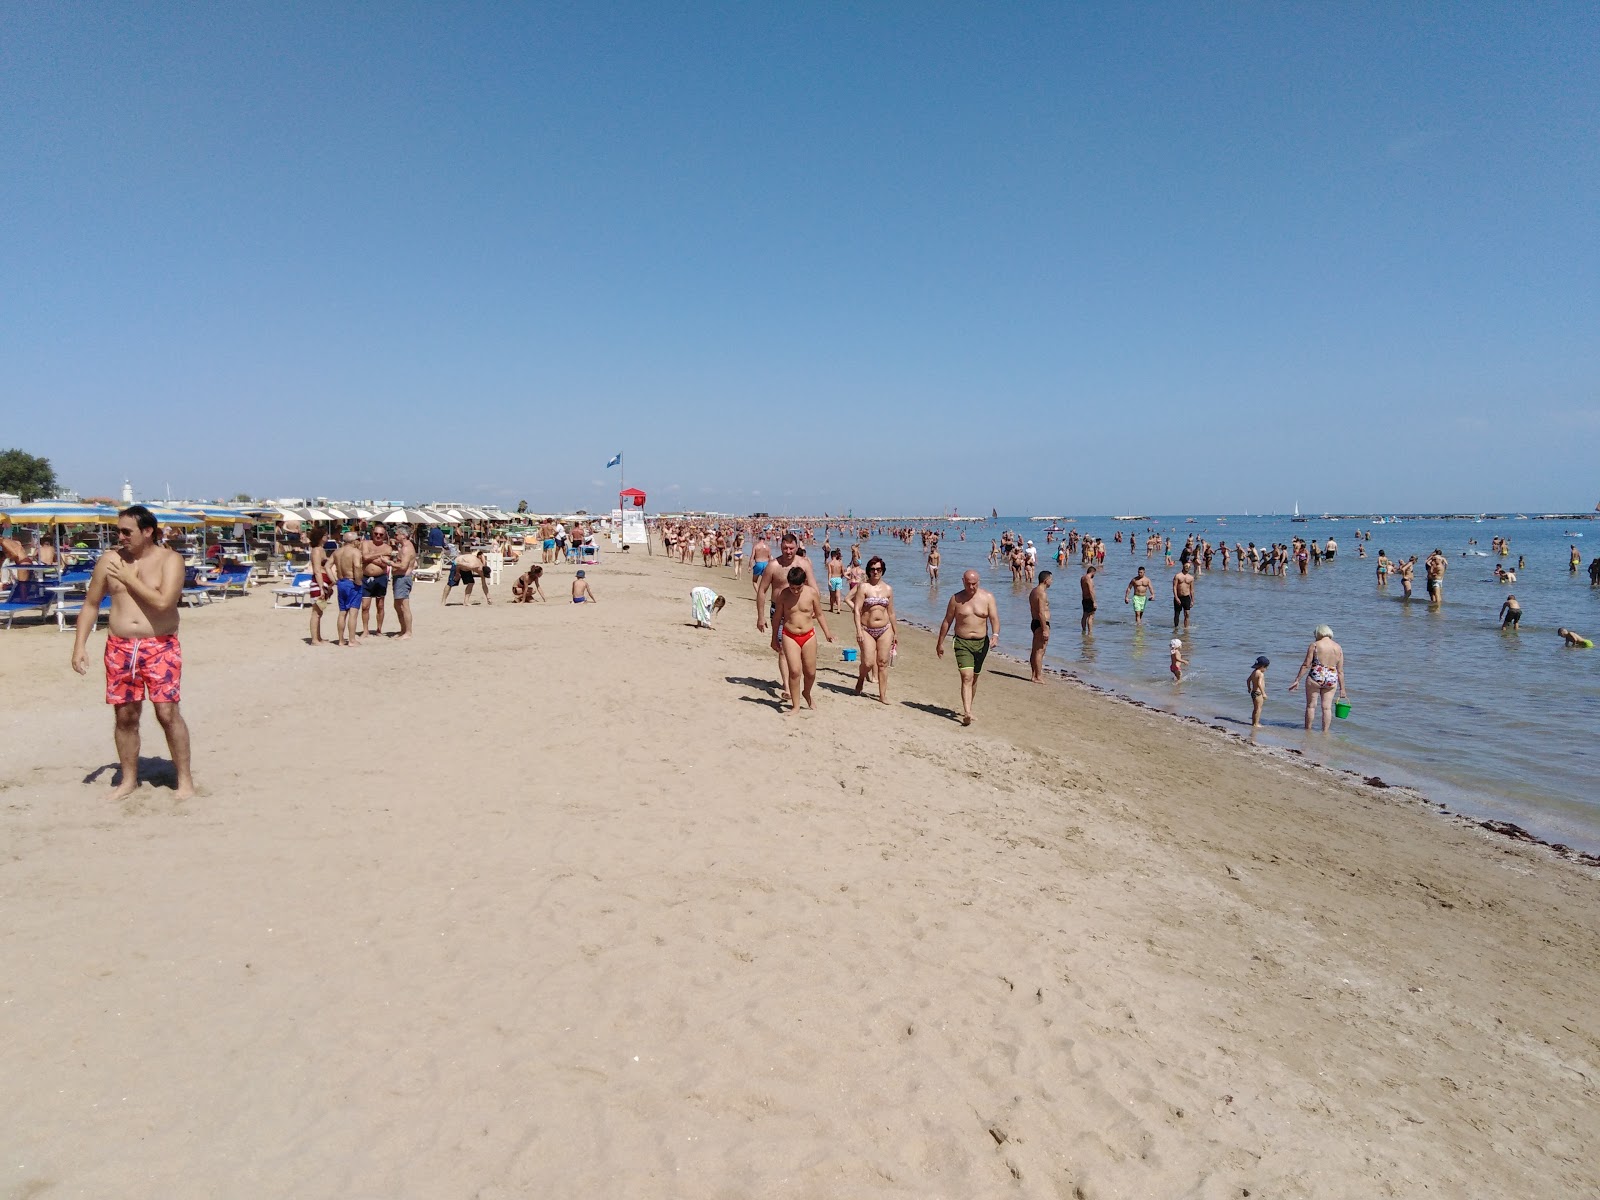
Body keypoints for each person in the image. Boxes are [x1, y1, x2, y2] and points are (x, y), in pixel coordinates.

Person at [70, 505, 195, 801]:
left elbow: (165, 602)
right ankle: (128, 780)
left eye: (127, 531)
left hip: (159, 645)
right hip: (120, 646)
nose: (121, 536)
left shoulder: (170, 559)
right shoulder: (109, 561)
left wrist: (129, 578)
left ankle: (185, 780)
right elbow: (91, 604)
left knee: (167, 712)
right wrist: (79, 646)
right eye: (118, 531)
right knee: (125, 715)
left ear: (147, 531)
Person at [755, 533, 817, 701]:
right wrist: (761, 617)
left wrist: (814, 610)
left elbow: (813, 587)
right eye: (785, 548)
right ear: (780, 547)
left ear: (796, 547)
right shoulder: (773, 566)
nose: (788, 551)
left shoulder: (804, 564)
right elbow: (762, 591)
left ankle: (799, 685)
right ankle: (787, 687)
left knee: (803, 657)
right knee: (782, 651)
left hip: (799, 613)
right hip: (778, 610)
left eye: (791, 548)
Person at [936, 569, 999, 727]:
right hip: (962, 642)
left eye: (975, 584)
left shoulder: (988, 597)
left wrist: (995, 635)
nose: (972, 587)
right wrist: (940, 642)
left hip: (981, 643)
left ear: (979, 581)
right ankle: (967, 712)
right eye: (969, 584)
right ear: (963, 581)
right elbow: (947, 621)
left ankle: (969, 708)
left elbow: (994, 619)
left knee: (974, 678)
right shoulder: (956, 599)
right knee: (966, 676)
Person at [773, 565, 832, 715]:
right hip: (789, 635)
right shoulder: (783, 594)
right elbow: (777, 617)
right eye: (792, 588)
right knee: (794, 671)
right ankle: (796, 706)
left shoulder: (812, 593)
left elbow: (819, 614)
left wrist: (827, 633)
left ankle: (806, 692)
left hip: (808, 635)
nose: (795, 591)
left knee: (811, 673)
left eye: (798, 588)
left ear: (804, 582)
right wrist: (774, 638)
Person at [851, 555, 896, 704]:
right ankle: (861, 678)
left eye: (878, 569)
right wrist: (858, 630)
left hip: (885, 629)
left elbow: (891, 612)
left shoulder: (888, 589)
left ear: (883, 570)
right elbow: (857, 610)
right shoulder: (863, 587)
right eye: (872, 569)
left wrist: (896, 632)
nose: (875, 572)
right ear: (869, 571)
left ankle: (882, 695)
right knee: (869, 662)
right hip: (866, 629)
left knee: (883, 662)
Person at [1288, 624, 1348, 731]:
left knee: (1311, 706)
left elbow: (1306, 664)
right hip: (1331, 679)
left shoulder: (1315, 645)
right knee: (1327, 708)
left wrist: (1297, 679)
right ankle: (1325, 732)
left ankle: (1308, 731)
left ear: (1318, 633)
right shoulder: (1338, 647)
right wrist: (1342, 689)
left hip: (1316, 676)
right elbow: (1340, 671)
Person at [359, 525, 395, 637]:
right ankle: (365, 630)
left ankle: (379, 629)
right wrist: (379, 555)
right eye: (376, 534)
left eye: (381, 534)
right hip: (365, 577)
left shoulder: (387, 548)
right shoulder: (365, 543)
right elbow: (364, 557)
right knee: (365, 606)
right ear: (372, 533)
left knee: (380, 605)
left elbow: (385, 563)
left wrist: (369, 558)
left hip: (380, 578)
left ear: (384, 535)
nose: (378, 536)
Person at [330, 533, 365, 646]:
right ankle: (352, 639)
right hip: (352, 582)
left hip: (341, 582)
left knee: (342, 612)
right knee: (353, 612)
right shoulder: (355, 552)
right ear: (354, 541)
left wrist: (334, 580)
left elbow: (327, 566)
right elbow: (357, 566)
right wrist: (358, 581)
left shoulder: (337, 552)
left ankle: (341, 640)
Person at [308, 533, 337, 645]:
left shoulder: (321, 549)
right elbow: (317, 570)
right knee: (316, 612)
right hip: (318, 584)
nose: (328, 536)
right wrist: (321, 588)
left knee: (320, 612)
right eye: (325, 534)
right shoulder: (316, 550)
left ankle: (318, 637)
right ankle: (314, 639)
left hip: (324, 584)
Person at [390, 525, 417, 638]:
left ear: (403, 535)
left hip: (403, 578)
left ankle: (408, 632)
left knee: (404, 606)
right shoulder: (403, 546)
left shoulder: (406, 548)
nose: (395, 536)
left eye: (397, 534)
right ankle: (403, 629)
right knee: (397, 605)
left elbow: (403, 566)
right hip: (399, 578)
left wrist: (388, 563)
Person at [1027, 570, 1052, 683]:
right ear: (1046, 580)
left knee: (1035, 650)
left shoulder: (1033, 591)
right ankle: (1038, 676)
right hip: (1041, 623)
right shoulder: (1041, 593)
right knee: (1040, 651)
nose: (1052, 581)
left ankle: (1034, 675)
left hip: (1035, 622)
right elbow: (1041, 612)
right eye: (1051, 579)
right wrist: (1045, 629)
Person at [1247, 655, 1269, 727]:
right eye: (1266, 667)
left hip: (1253, 692)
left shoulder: (1254, 672)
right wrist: (1263, 693)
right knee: (1259, 709)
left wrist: (1249, 688)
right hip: (1258, 693)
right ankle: (1256, 723)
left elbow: (1248, 680)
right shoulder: (1260, 674)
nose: (1266, 669)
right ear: (1262, 666)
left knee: (1255, 708)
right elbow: (1259, 684)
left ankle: (1254, 722)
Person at [1171, 563, 1195, 628]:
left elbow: (1192, 590)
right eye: (1186, 566)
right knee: (1177, 614)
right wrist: (1176, 597)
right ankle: (1176, 628)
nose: (1187, 567)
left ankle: (1186, 629)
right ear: (1183, 566)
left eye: (1189, 566)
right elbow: (1174, 587)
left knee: (1187, 614)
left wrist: (1192, 600)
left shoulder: (1191, 578)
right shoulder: (1177, 576)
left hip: (1187, 597)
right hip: (1179, 596)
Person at [1079, 565, 1097, 635]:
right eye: (1094, 574)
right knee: (1091, 616)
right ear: (1093, 572)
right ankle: (1090, 632)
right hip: (1089, 599)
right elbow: (1091, 590)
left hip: (1084, 598)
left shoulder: (1082, 578)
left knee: (1084, 615)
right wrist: (1094, 601)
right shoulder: (1089, 579)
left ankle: (1083, 631)